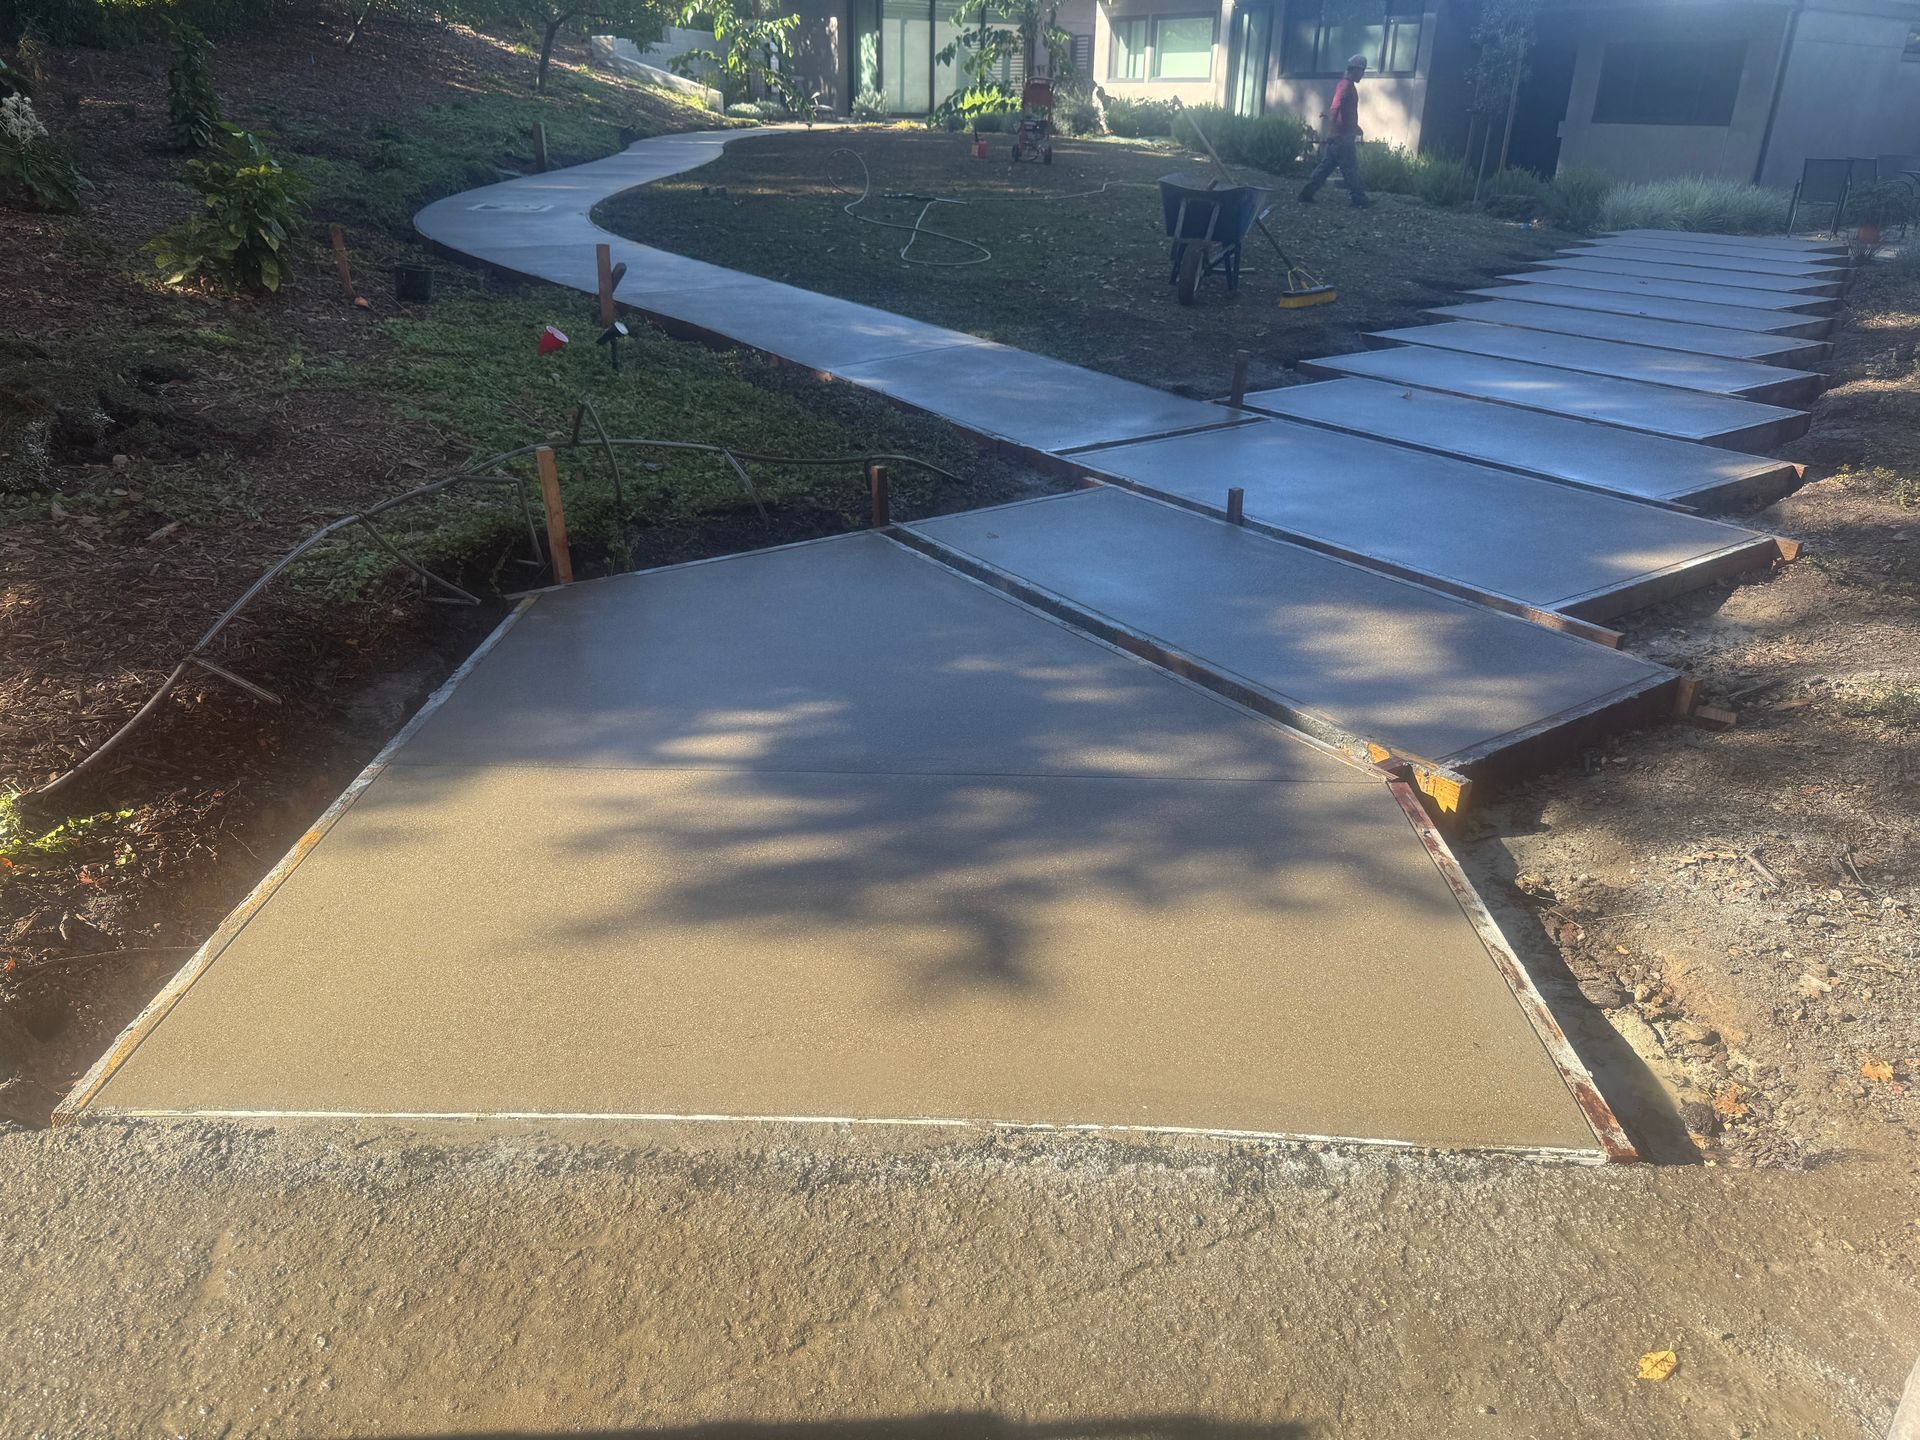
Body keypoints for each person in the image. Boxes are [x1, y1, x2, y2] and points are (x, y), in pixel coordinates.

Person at [1298, 54, 1371, 207]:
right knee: (1350, 168)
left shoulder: (1347, 86)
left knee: (1325, 168)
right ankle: (1359, 199)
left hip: (1340, 136)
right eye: (1362, 71)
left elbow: (1345, 112)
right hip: (1342, 138)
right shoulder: (1346, 86)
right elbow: (1335, 108)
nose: (1363, 74)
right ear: (1354, 70)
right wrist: (1333, 132)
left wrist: (1354, 127)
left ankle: (1306, 193)